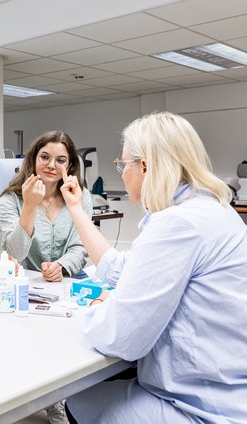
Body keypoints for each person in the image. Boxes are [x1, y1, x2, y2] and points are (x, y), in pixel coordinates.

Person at [60, 112, 247, 423]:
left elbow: (121, 338)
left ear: (143, 166)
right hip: (230, 388)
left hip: (201, 406)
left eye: (123, 165)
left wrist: (98, 306)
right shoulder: (213, 210)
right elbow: (121, 267)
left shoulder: (178, 223)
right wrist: (77, 209)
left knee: (79, 399)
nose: (121, 173)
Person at [0, 131, 92, 282]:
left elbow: (81, 246)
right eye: (45, 157)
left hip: (67, 281)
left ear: (70, 164)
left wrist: (61, 266)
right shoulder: (10, 199)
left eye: (61, 160)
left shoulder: (80, 195)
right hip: (25, 283)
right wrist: (29, 206)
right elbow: (15, 253)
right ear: (33, 159)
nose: (51, 165)